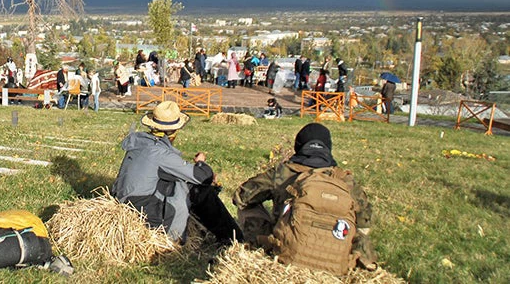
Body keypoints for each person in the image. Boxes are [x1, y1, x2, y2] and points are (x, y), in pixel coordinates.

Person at [232, 123, 377, 270]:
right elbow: (366, 220)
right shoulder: (345, 180)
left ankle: (258, 250)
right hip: (336, 260)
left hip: (287, 255)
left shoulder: (283, 172)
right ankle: (356, 260)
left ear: (298, 145)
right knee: (360, 227)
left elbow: (241, 197)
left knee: (248, 207)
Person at [111, 101, 243, 244]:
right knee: (202, 191)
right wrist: (201, 163)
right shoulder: (159, 152)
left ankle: (210, 231)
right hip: (145, 210)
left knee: (186, 183)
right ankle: (234, 239)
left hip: (128, 201)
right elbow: (202, 176)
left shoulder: (142, 142)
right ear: (173, 131)